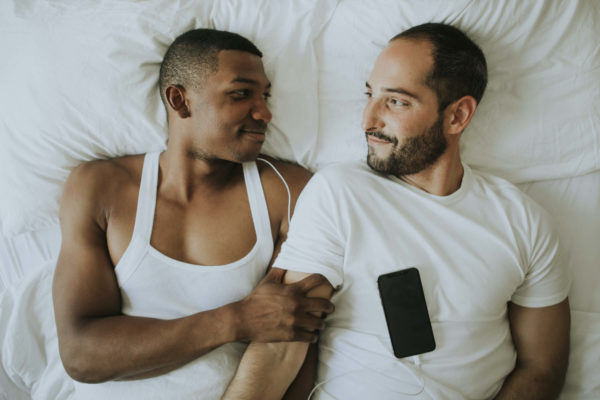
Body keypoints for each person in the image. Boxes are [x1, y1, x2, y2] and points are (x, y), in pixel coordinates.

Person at [222, 23, 571, 400]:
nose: (368, 121)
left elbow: (543, 367)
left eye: (396, 101)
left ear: (457, 116)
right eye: (370, 95)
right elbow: (280, 346)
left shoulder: (523, 222)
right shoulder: (340, 192)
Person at [52, 28, 333, 399]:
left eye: (264, 95)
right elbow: (81, 355)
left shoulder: (287, 191)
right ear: (180, 100)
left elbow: (295, 339)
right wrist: (237, 320)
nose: (264, 112)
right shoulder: (101, 187)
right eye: (241, 94)